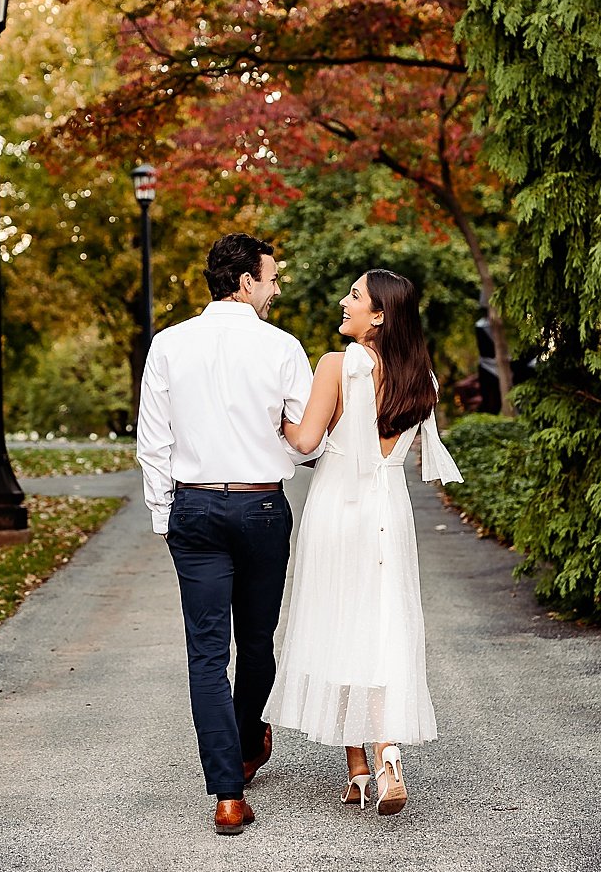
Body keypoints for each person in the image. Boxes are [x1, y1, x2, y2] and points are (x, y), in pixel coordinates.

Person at [136, 233, 320, 836]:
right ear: (245, 282)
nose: (274, 290)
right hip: (261, 507)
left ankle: (228, 794)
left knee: (206, 652)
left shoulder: (168, 344)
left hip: (193, 511)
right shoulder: (282, 347)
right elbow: (306, 439)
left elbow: (153, 442)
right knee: (258, 639)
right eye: (270, 279)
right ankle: (244, 745)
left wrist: (166, 519)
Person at [264, 269, 463, 816]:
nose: (344, 301)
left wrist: (275, 416)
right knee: (380, 623)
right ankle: (374, 762)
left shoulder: (337, 364)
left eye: (355, 296)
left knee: (336, 622)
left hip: (337, 508)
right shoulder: (423, 378)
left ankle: (367, 759)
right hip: (389, 510)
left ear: (379, 315)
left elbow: (305, 440)